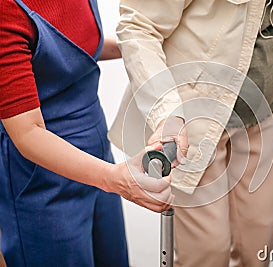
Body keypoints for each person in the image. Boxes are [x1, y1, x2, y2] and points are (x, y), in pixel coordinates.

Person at [111, 0, 273, 266]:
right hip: (194, 124)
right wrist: (167, 114)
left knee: (258, 242)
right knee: (207, 252)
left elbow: (270, 21)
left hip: (263, 114)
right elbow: (138, 25)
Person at [0, 0, 174, 266]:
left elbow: (70, 45)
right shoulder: (7, 11)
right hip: (41, 173)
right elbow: (27, 133)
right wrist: (115, 178)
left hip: (97, 149)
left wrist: (139, 48)